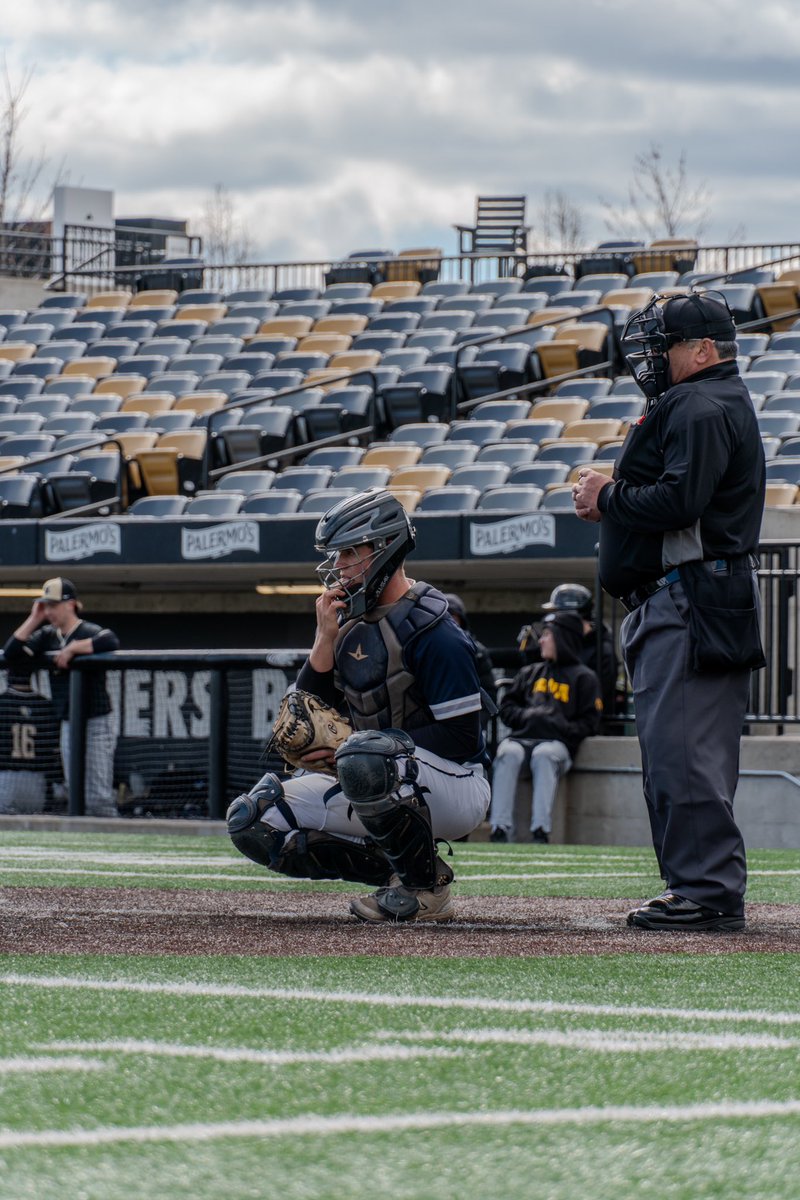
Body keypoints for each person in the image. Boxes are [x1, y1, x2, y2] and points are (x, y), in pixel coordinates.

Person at [572, 292, 765, 932]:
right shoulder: (703, 402)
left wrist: (610, 494)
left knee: (684, 751)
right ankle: (698, 885)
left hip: (691, 597)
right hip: (688, 596)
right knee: (674, 749)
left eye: (665, 346)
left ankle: (708, 891)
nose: (652, 359)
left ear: (703, 350)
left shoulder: (701, 403)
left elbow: (682, 501)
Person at [226, 488, 491, 923]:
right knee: (254, 819)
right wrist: (324, 640)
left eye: (351, 551)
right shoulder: (347, 625)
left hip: (458, 785)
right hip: (377, 772)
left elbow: (462, 738)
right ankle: (407, 872)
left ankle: (424, 893)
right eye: (338, 553)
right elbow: (305, 711)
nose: (340, 565)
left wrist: (358, 749)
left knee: (364, 755)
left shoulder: (435, 630)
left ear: (384, 548)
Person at [3, 577, 121, 817]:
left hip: (96, 719)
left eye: (53, 605)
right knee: (74, 786)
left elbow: (110, 640)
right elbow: (12, 653)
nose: (50, 611)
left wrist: (74, 648)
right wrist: (35, 618)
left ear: (71, 604)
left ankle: (109, 834)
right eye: (46, 605)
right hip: (68, 719)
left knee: (97, 792)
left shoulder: (87, 630)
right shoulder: (47, 635)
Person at [489, 610, 602, 844]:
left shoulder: (585, 678)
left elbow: (589, 723)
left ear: (563, 638)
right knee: (507, 752)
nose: (540, 640)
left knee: (544, 755)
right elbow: (507, 707)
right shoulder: (530, 672)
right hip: (522, 739)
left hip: (555, 745)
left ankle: (540, 831)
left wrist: (558, 725)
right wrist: (529, 716)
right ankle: (499, 829)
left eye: (547, 635)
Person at [518, 583, 619, 716]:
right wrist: (532, 654)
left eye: (557, 616)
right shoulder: (556, 644)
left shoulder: (602, 651)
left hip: (587, 727)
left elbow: (595, 699)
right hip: (554, 722)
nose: (553, 624)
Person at [0, 667, 60, 814]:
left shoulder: (1, 703)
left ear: (8, 675)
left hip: (5, 781)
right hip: (38, 785)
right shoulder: (46, 705)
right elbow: (55, 754)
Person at [442, 593, 497, 722]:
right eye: (445, 617)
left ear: (461, 621)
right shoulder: (425, 649)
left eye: (453, 618)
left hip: (468, 720)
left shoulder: (477, 652)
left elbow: (488, 692)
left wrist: (477, 725)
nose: (449, 623)